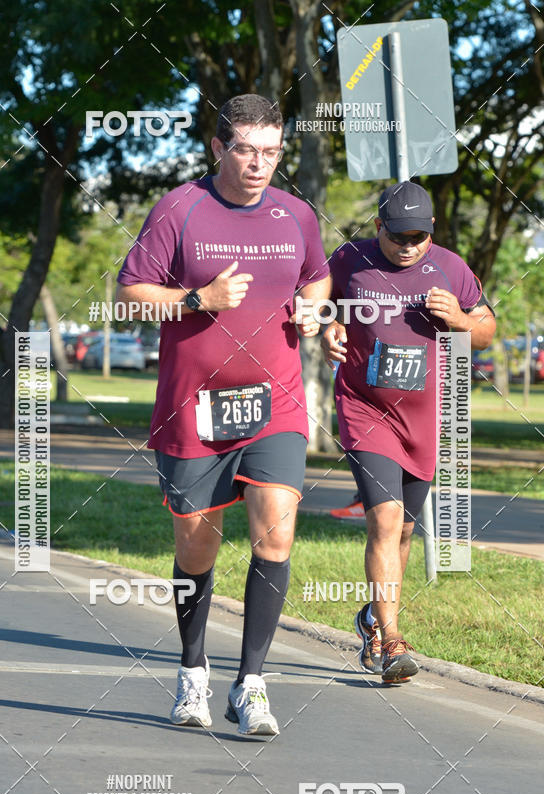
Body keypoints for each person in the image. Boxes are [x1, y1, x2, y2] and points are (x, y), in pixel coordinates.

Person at [116, 94, 331, 733]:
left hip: (276, 402)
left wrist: (315, 309)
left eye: (272, 151)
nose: (260, 164)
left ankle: (253, 684)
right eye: (246, 150)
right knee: (196, 546)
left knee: (277, 530)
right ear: (218, 148)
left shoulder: (296, 214)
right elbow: (129, 296)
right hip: (193, 408)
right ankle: (192, 673)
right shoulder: (179, 209)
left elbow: (317, 278)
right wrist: (197, 298)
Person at [321, 181, 496, 684]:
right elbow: (314, 302)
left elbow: (486, 328)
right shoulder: (350, 259)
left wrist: (459, 319)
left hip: (423, 419)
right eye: (398, 236)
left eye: (418, 236)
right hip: (365, 408)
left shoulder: (450, 266)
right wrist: (330, 326)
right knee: (385, 516)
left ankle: (372, 617)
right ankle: (392, 638)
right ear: (379, 227)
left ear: (432, 230)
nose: (408, 245)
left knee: (403, 530)